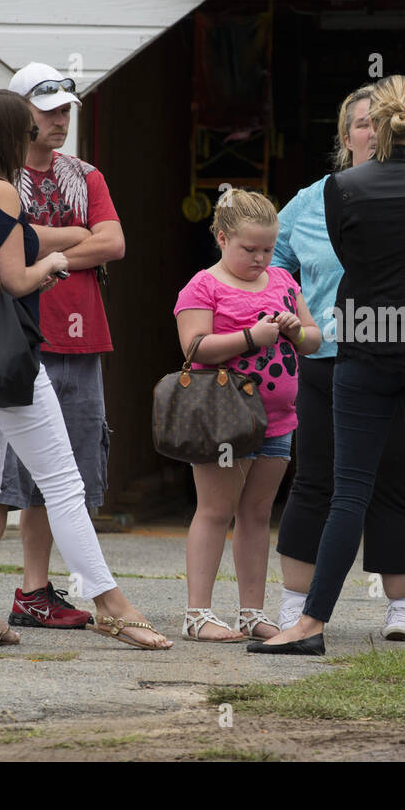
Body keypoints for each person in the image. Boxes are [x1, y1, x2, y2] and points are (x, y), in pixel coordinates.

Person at [0, 89, 168, 649]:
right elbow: (16, 280)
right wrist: (56, 263)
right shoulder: (6, 191)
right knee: (63, 482)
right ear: (12, 133)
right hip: (9, 359)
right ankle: (111, 603)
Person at [249, 74, 405, 655]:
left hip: (364, 346)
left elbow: (351, 261)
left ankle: (311, 624)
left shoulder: (338, 188)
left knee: (347, 490)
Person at [173, 189, 322, 641]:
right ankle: (197, 613)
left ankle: (251, 612)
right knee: (216, 510)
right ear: (221, 238)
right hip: (223, 418)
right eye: (249, 249)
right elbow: (195, 346)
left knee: (257, 514)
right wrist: (251, 337)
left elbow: (314, 339)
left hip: (277, 420)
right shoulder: (204, 285)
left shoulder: (283, 281)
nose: (260, 258)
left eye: (268, 249)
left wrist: (298, 331)